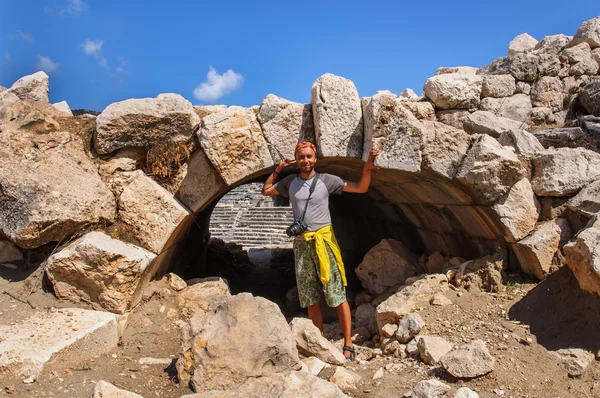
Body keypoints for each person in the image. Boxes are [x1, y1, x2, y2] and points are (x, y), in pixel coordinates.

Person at [261, 141, 381, 360]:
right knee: (309, 295)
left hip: (324, 242)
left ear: (315, 159)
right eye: (301, 157)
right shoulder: (289, 182)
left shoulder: (327, 180)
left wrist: (367, 168)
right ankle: (319, 339)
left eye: (309, 156)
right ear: (297, 160)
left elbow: (361, 188)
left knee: (336, 291)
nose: (305, 160)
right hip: (302, 244)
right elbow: (266, 190)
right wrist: (278, 169)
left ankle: (347, 342)